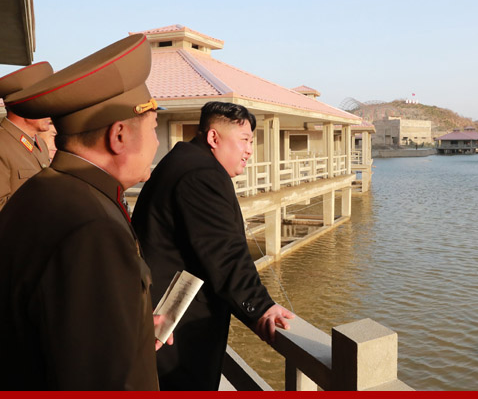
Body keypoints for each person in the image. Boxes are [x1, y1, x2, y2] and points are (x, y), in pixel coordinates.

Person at [0, 34, 171, 390]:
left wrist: (132, 327)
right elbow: (101, 380)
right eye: (154, 128)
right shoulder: (93, 228)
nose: (158, 143)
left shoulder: (48, 190)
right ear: (119, 136)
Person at [132, 101, 295, 391]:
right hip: (177, 330)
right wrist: (261, 308)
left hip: (157, 309)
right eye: (244, 140)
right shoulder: (202, 175)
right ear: (213, 138)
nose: (249, 150)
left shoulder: (182, 160)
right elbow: (225, 254)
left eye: (251, 142)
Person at [0, 62, 53, 210]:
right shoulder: (2, 145)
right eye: (43, 103)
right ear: (24, 105)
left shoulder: (39, 144)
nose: (50, 110)